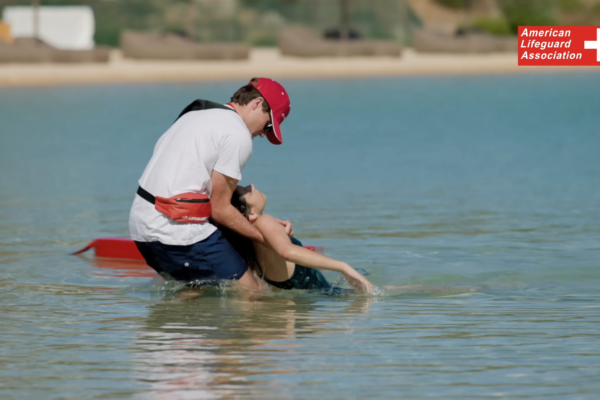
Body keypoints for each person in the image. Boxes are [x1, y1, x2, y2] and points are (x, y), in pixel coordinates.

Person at [129, 78, 291, 289]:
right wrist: (269, 238)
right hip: (174, 231)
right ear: (257, 103)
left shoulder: (196, 113)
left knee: (200, 288)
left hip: (139, 224)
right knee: (253, 291)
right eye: (268, 125)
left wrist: (261, 221)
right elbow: (219, 209)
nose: (263, 134)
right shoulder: (238, 134)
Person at [221, 184, 374, 294]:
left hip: (292, 288)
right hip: (314, 286)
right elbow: (287, 252)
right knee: (374, 290)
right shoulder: (264, 221)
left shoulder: (243, 241)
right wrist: (344, 267)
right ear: (251, 214)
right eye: (246, 190)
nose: (252, 186)